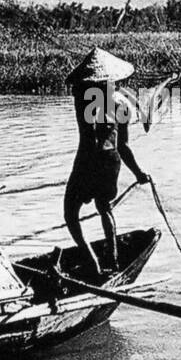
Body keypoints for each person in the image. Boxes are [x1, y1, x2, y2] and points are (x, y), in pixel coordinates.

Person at [64, 47, 149, 278]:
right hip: (110, 161)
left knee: (70, 215)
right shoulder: (120, 102)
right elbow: (123, 146)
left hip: (86, 159)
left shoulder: (81, 97)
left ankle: (93, 262)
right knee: (105, 208)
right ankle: (112, 260)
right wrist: (138, 173)